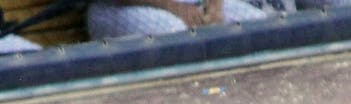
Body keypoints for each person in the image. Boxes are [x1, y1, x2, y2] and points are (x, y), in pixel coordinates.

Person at [85, 0, 295, 41]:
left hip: (191, 3)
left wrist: (215, 5)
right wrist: (178, 9)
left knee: (256, 23)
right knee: (175, 33)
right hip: (118, 7)